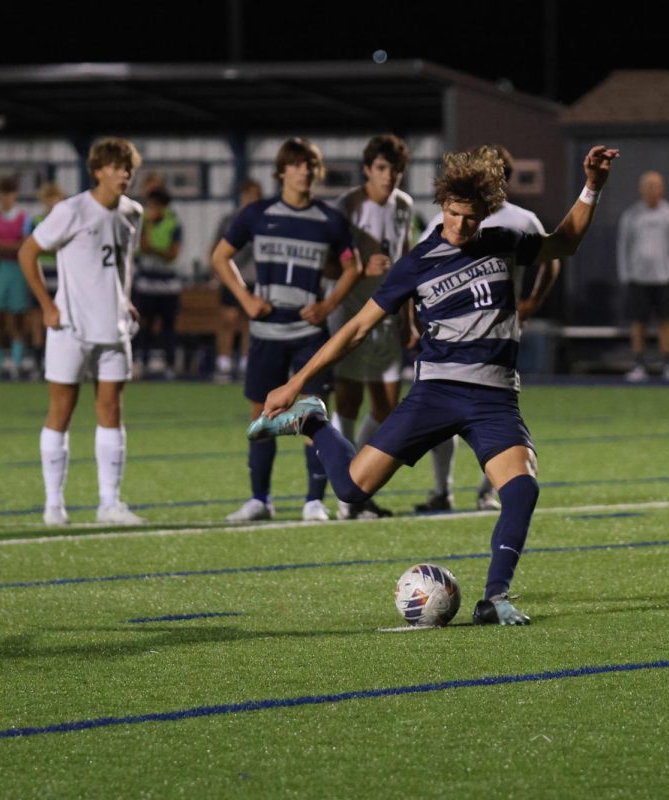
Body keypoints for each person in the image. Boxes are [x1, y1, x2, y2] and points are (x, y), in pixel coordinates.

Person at [250, 144, 619, 626]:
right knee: (351, 490)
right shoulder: (417, 263)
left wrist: (592, 186)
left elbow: (564, 242)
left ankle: (495, 597)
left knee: (522, 488)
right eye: (451, 214)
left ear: (485, 213)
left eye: (470, 217)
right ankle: (315, 421)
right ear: (440, 207)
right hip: (437, 391)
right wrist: (296, 383)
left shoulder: (504, 239)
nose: (460, 226)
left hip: (494, 397)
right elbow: (356, 328)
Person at [210, 137, 364, 523]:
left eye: (310, 164)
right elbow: (220, 256)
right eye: (296, 164)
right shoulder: (257, 213)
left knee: (312, 416)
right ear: (281, 171)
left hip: (307, 336)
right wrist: (245, 299)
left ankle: (314, 500)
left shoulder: (329, 220)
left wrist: (328, 305)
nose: (304, 171)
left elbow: (353, 266)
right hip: (265, 335)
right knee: (261, 417)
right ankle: (260, 499)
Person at [413, 144, 561, 513]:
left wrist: (531, 303)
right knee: (442, 416)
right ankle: (443, 489)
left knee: (497, 419)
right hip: (450, 339)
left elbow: (552, 260)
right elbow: (418, 268)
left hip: (496, 338)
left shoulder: (520, 220)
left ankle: (486, 491)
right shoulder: (448, 219)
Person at [17, 137, 148, 526]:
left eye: (128, 167)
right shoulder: (70, 210)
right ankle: (53, 503)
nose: (123, 173)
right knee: (62, 409)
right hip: (70, 326)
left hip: (114, 327)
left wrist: (124, 299)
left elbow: (122, 262)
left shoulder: (133, 212)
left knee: (111, 410)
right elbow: (28, 252)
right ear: (97, 171)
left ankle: (109, 503)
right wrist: (46, 304)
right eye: (116, 166)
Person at [328, 134, 416, 520]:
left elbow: (409, 261)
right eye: (382, 168)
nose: (390, 176)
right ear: (367, 169)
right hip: (351, 314)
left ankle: (353, 486)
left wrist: (410, 318)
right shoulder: (346, 206)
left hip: (389, 317)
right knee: (347, 400)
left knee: (386, 407)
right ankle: (345, 494)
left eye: (396, 169)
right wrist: (362, 268)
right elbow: (327, 263)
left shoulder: (404, 205)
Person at [616, 170, 669, 383]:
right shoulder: (631, 216)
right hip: (638, 278)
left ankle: (668, 363)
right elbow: (623, 246)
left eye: (655, 186)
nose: (651, 190)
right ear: (641, 189)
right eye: (647, 186)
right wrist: (625, 273)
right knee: (638, 322)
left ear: (662, 189)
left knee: (667, 321)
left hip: (665, 278)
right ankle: (638, 363)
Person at [210, 179, 263, 384]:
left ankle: (245, 362)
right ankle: (223, 362)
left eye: (254, 195)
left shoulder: (265, 221)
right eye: (247, 194)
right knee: (228, 319)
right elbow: (216, 248)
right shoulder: (229, 220)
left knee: (250, 323)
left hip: (255, 277)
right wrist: (215, 270)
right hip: (232, 277)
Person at [0, 176, 33, 380]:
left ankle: (17, 364)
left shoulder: (24, 218)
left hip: (17, 270)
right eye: (3, 195)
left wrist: (4, 247)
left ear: (15, 196)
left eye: (10, 194)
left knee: (16, 319)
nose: (6, 199)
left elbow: (25, 244)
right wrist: (12, 246)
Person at [132, 187, 183, 379]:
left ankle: (169, 365)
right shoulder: (142, 223)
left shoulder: (173, 224)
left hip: (168, 284)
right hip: (146, 282)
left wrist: (154, 250)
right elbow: (142, 247)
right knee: (144, 324)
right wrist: (154, 245)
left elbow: (172, 254)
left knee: (168, 326)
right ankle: (141, 362)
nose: (151, 209)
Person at [24, 182, 66, 376]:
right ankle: (38, 361)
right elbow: (33, 248)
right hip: (42, 273)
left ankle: (61, 362)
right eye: (48, 199)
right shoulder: (37, 221)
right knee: (38, 319)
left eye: (55, 199)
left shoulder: (67, 221)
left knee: (63, 319)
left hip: (62, 275)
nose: (52, 203)